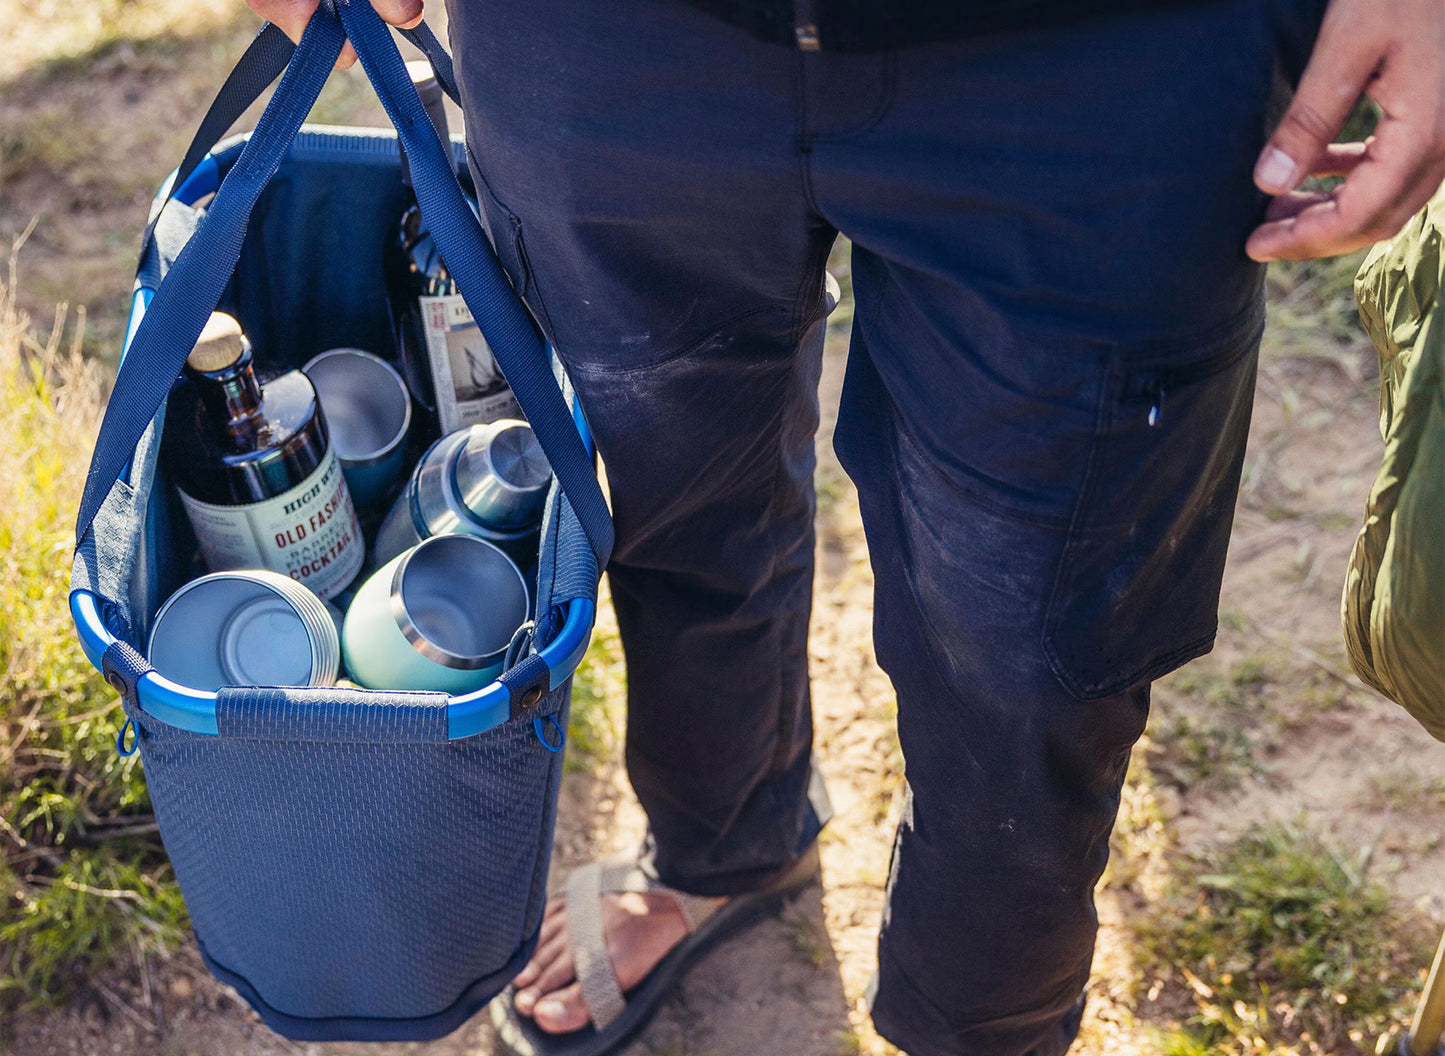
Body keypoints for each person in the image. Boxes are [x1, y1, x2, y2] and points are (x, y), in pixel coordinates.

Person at [247, 1, 1445, 1053]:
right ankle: (722, 846)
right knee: (660, 505)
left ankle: (982, 1035)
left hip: (1110, 55)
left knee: (1034, 650)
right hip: (604, 36)